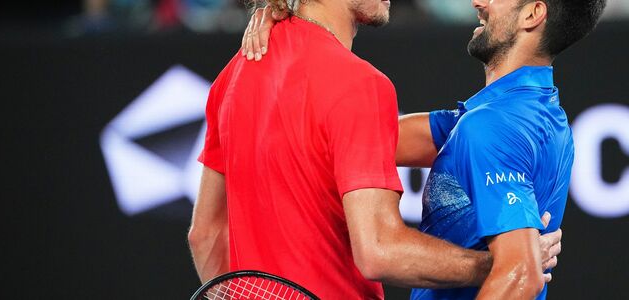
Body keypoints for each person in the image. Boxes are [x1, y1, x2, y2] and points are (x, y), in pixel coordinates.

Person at [188, 0, 563, 299]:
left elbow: (204, 235)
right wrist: (493, 265)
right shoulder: (361, 85)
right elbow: (379, 250)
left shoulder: (233, 77)